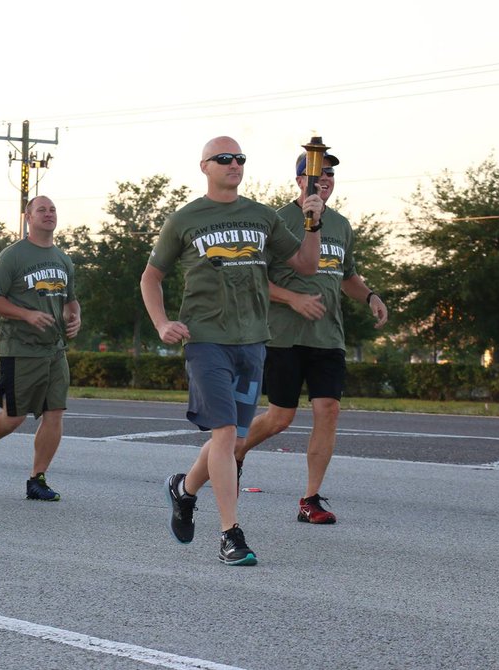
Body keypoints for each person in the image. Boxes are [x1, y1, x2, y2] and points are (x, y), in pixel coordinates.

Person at [141, 136, 321, 565]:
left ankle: (184, 491)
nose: (234, 164)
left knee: (235, 437)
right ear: (204, 166)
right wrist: (163, 323)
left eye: (240, 158)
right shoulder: (185, 219)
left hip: (252, 341)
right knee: (224, 435)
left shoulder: (260, 216)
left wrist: (312, 225)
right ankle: (230, 534)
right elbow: (151, 277)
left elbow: (306, 266)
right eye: (224, 158)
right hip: (206, 340)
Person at [235, 149, 388, 524]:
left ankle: (310, 499)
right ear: (300, 180)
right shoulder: (276, 221)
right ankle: (235, 451)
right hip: (282, 336)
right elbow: (251, 277)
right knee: (280, 418)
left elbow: (347, 274)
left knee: (328, 410)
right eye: (318, 175)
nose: (325, 181)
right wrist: (293, 298)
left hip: (328, 337)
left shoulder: (342, 225)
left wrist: (369, 295)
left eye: (331, 176)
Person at [0, 195, 80, 501]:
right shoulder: (12, 256)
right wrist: (26, 314)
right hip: (20, 349)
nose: (49, 213)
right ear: (28, 217)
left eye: (53, 209)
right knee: (13, 417)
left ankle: (37, 479)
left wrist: (75, 317)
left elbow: (70, 301)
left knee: (55, 413)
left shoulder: (63, 259)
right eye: (42, 209)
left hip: (54, 350)